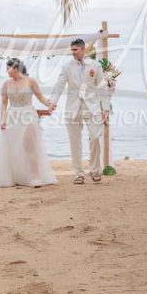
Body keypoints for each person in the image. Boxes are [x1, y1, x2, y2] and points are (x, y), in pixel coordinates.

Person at [49, 39, 109, 185]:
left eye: (75, 49)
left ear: (83, 49)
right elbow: (59, 84)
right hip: (72, 107)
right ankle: (78, 173)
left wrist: (105, 108)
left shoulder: (94, 66)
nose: (73, 52)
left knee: (95, 136)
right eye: (72, 50)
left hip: (91, 107)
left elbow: (101, 86)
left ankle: (94, 170)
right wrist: (53, 102)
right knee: (74, 142)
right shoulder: (67, 67)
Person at [0, 58, 57, 188]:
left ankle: (35, 176)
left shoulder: (30, 81)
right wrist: (2, 119)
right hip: (12, 116)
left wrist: (49, 104)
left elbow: (40, 97)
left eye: (8, 68)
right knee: (13, 147)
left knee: (30, 145)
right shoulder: (6, 84)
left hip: (28, 115)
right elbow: (4, 102)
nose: (6, 71)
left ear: (16, 68)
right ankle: (16, 176)